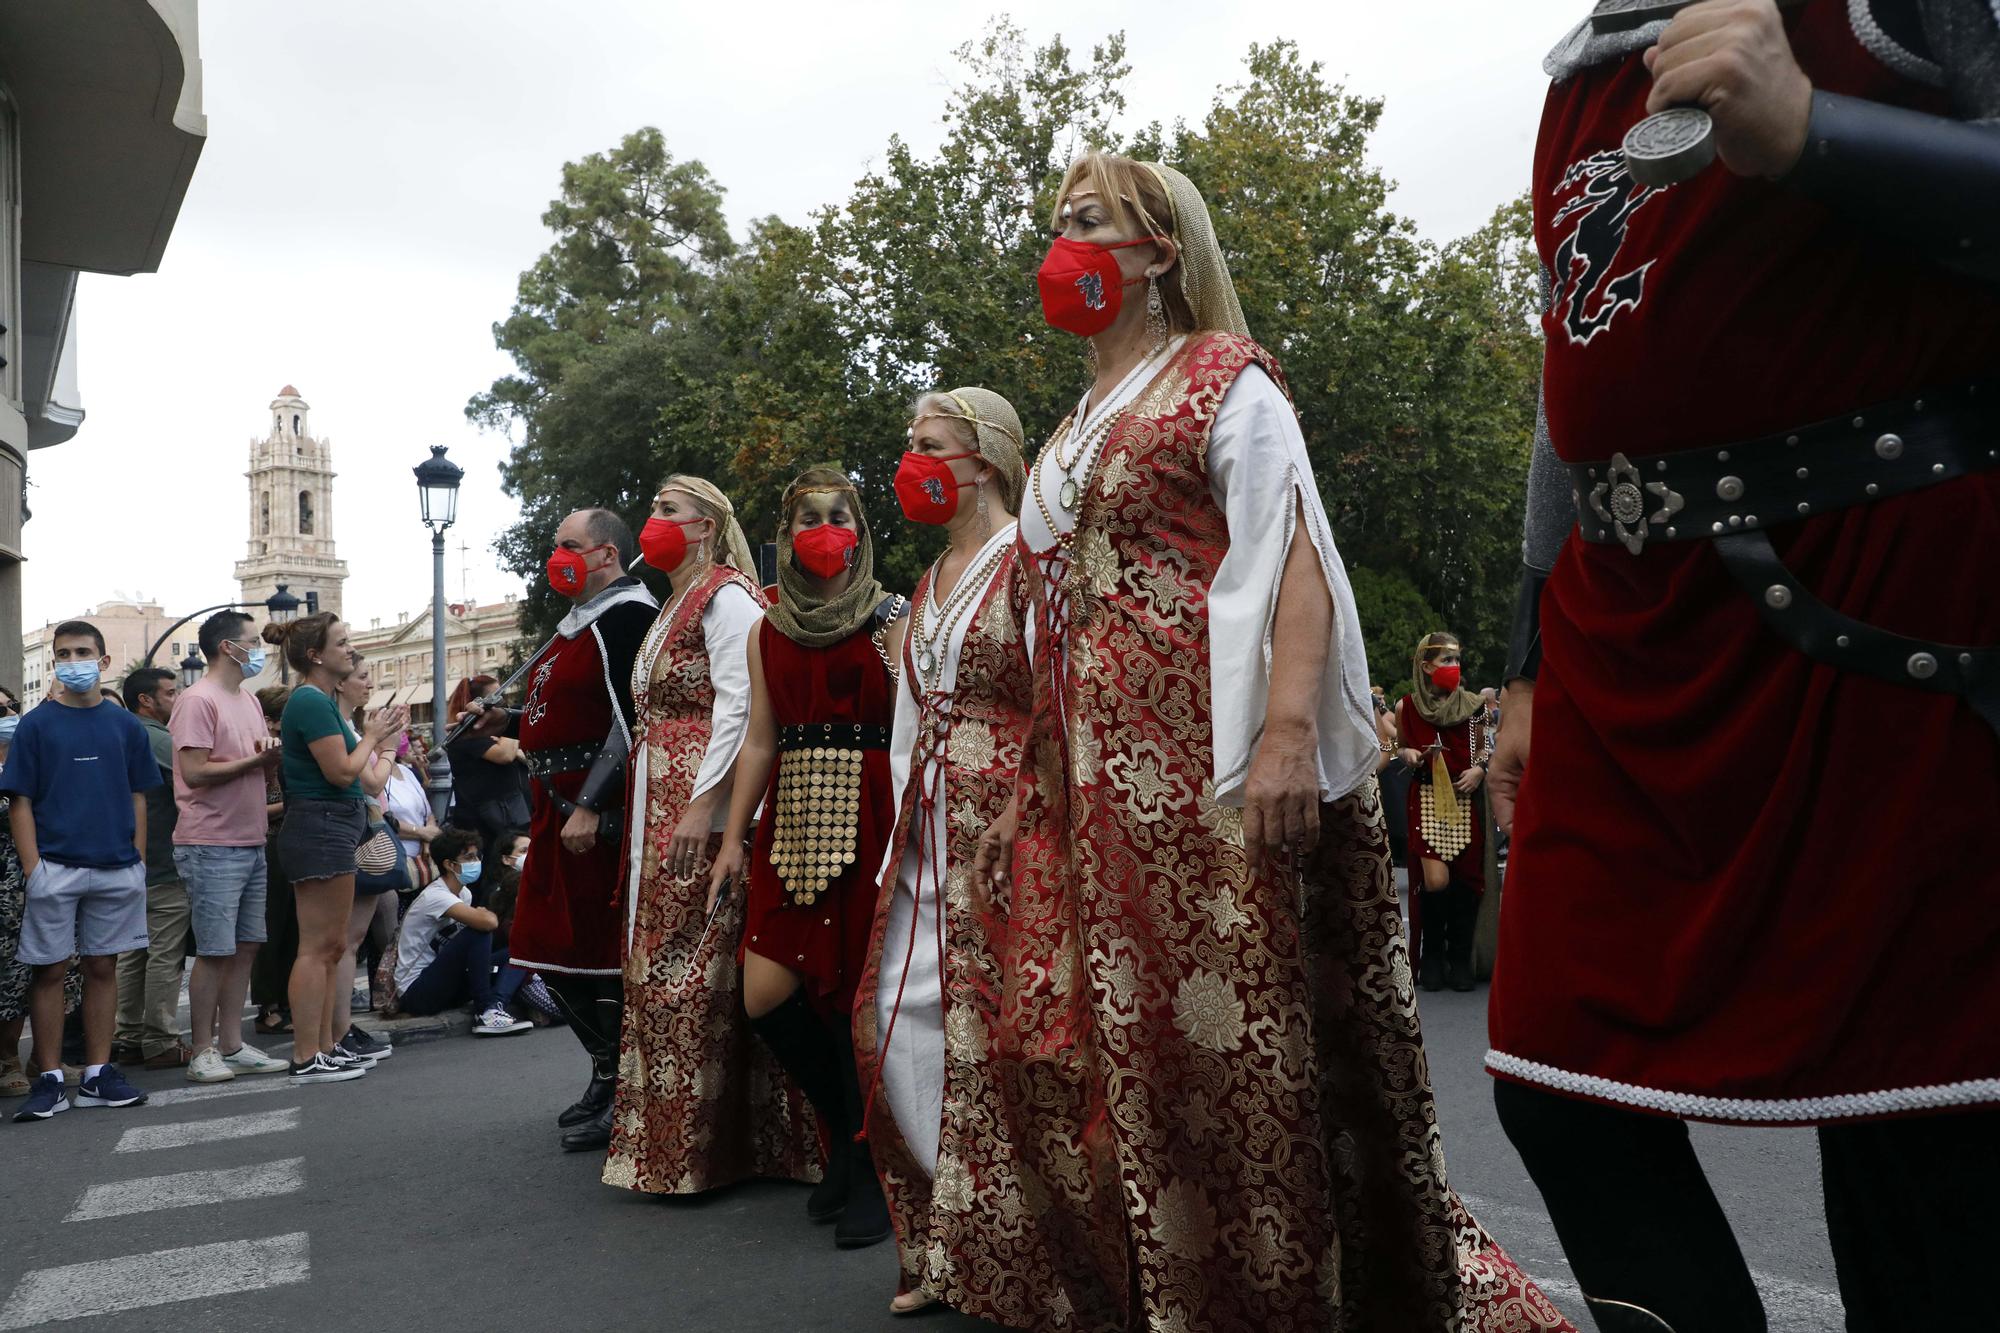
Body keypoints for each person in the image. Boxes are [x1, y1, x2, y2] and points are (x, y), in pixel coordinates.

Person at [970, 153, 1572, 1330]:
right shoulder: (1068, 427)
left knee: (1237, 1060)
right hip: (1096, 801)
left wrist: (1287, 732)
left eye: (1089, 221)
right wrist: (1021, 789)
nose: (1062, 243)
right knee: (1113, 1062)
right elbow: (1057, 624)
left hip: (1214, 779)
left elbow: (1293, 552)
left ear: (1159, 252)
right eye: (1054, 222)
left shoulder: (1221, 378)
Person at [1483, 3, 2000, 1330]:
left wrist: (1818, 131)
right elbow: (1572, 387)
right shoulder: (1589, 62)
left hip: (1880, 614)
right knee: (1556, 1079)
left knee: (1912, 1123)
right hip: (1624, 635)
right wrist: (1527, 654)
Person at [853, 388, 1038, 1317]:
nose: (912, 460)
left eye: (930, 445)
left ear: (990, 458)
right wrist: (898, 835)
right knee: (899, 1012)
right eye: (911, 444)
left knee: (1002, 1030)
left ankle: (1018, 1242)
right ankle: (953, 1225)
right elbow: (908, 716)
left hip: (1008, 823)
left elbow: (1058, 695)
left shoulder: (1030, 561)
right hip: (928, 826)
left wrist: (1025, 810)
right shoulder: (928, 580)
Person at [708, 466, 909, 1251]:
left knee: (859, 997)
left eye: (839, 515)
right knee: (767, 996)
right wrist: (732, 835)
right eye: (808, 518)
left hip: (871, 809)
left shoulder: (892, 617)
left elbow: (915, 724)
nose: (824, 529)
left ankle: (870, 1166)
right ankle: (847, 1134)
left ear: (857, 529)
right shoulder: (768, 627)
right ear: (784, 535)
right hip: (790, 817)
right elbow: (760, 736)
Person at [604, 475, 821, 1199]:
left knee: (688, 966)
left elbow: (741, 704)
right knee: (670, 958)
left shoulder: (726, 596)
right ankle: (673, 1145)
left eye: (668, 510)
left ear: (704, 526)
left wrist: (705, 806)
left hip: (698, 797)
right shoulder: (675, 601)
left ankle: (699, 1149)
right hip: (659, 789)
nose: (652, 520)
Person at [471, 508, 656, 1151]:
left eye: (568, 546)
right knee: (545, 945)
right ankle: (609, 1074)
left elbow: (632, 717)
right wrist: (511, 717)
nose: (557, 556)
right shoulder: (574, 627)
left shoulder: (628, 616)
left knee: (598, 952)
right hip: (551, 801)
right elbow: (566, 712)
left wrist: (596, 805)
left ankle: (627, 1089)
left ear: (606, 554)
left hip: (588, 805)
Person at [6, 621, 159, 1120]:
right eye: (65, 653)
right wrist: (35, 869)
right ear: (55, 661)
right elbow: (20, 802)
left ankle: (97, 1072)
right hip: (55, 867)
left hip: (117, 867)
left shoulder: (125, 726)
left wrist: (137, 859)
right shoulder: (35, 724)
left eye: (84, 651)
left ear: (104, 661)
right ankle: (49, 1076)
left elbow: (138, 796)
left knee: (102, 966)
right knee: (49, 970)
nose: (74, 660)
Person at [268, 612, 407, 1084]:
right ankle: (307, 1054)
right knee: (317, 948)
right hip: (320, 826)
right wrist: (373, 736)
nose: (350, 649)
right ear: (315, 655)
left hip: (332, 827)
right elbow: (343, 773)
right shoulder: (309, 701)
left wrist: (376, 741)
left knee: (329, 947)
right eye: (342, 642)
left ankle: (325, 1046)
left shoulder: (319, 700)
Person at [171, 611, 291, 1083]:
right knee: (216, 950)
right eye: (253, 640)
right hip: (210, 841)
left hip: (249, 836)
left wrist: (267, 764)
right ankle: (202, 1050)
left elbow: (252, 768)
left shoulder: (246, 699)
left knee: (244, 947)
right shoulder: (197, 700)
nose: (260, 647)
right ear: (227, 648)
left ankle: (232, 1044)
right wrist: (256, 761)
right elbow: (195, 772)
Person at [1394, 633, 1494, 994]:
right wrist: (1403, 753)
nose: (1453, 668)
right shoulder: (1407, 706)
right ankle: (1432, 954)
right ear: (1426, 666)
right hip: (1426, 798)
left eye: (1456, 660)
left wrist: (1480, 769)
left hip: (1464, 799)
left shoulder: (1474, 706)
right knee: (1436, 880)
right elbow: (1393, 743)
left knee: (1467, 880)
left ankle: (1459, 956)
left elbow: (1484, 749)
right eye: (1445, 661)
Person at [0, 689, 81, 1098]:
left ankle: (44, 1058)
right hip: (6, 887)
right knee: (9, 976)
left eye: (12, 707)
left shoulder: (30, 753)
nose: (10, 715)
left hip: (49, 877)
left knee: (59, 968)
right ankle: (7, 1058)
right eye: (1, 711)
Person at [113, 666, 193, 1069]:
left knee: (132, 953)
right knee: (164, 952)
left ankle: (127, 1036)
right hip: (162, 860)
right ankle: (160, 1039)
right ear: (146, 699)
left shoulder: (121, 732)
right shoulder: (155, 737)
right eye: (171, 692)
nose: (176, 698)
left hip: (129, 861)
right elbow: (192, 778)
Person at [325, 657, 397, 1064]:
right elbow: (371, 781)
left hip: (359, 832)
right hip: (359, 836)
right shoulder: (348, 730)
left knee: (348, 942)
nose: (370, 685)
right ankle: (339, 1029)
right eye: (362, 678)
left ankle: (341, 1027)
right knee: (346, 942)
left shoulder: (350, 727)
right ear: (341, 684)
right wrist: (386, 750)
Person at [392, 827, 527, 1034]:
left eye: (476, 856)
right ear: (449, 864)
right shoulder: (435, 896)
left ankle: (495, 1006)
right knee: (478, 932)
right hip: (417, 990)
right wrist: (483, 916)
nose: (476, 862)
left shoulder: (463, 893)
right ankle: (485, 1012)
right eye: (469, 857)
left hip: (446, 982)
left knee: (519, 952)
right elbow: (488, 923)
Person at [249, 684, 295, 1035]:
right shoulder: (258, 751)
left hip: (292, 844)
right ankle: (268, 1005)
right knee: (270, 930)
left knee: (294, 929)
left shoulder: (290, 749)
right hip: (267, 844)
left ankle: (289, 998)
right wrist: (290, 805)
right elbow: (252, 808)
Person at [445, 674, 530, 857]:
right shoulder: (468, 734)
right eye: (497, 698)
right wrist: (506, 724)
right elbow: (505, 754)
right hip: (484, 822)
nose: (502, 702)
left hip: (506, 814)